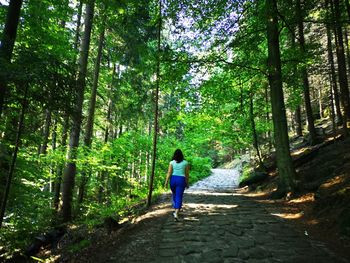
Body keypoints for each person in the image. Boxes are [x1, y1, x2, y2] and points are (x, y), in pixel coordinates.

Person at [164, 149, 190, 221]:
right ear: (182, 155)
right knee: (179, 196)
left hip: (173, 179)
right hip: (181, 180)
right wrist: (187, 183)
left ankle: (176, 209)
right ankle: (176, 212)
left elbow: (169, 173)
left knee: (175, 194)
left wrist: (166, 182)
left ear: (174, 155)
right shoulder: (185, 163)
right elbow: (187, 174)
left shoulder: (172, 162)